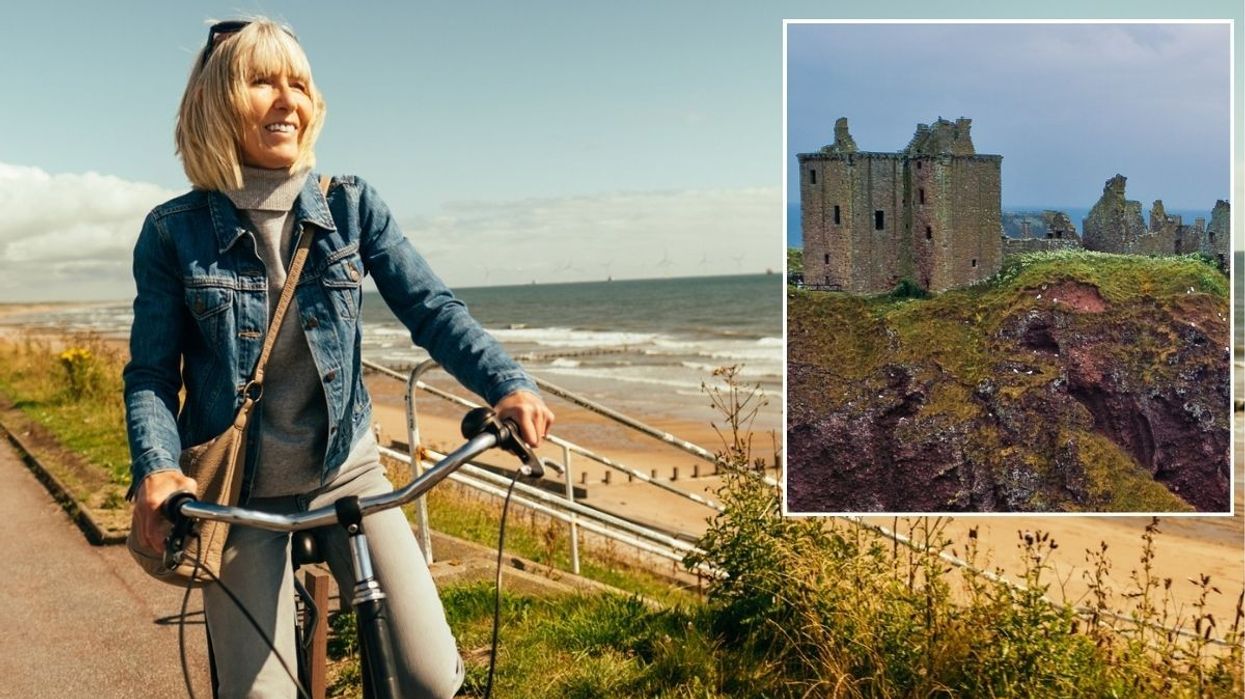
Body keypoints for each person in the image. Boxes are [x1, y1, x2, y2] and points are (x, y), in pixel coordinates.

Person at [123, 18, 553, 698]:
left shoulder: (351, 207)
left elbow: (431, 309)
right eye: (261, 81)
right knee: (259, 693)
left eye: (298, 82)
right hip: (239, 495)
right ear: (215, 100)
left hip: (346, 471)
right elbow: (150, 374)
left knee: (428, 679)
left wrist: (507, 385)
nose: (286, 99)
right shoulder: (171, 233)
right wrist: (159, 470)